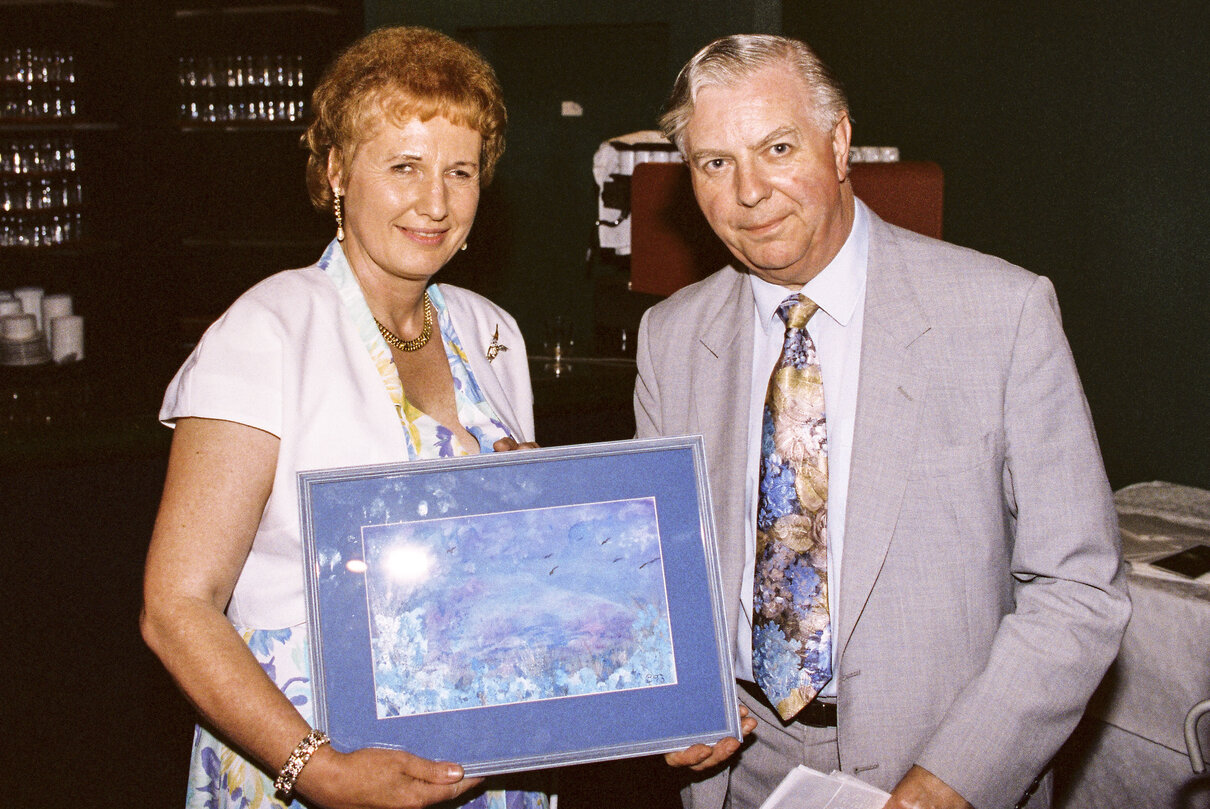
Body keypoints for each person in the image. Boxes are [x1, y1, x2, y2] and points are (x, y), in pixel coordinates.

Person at [641, 34, 1131, 809]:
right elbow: (660, 572)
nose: (749, 191)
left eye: (776, 146)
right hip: (736, 769)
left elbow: (1079, 590)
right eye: (713, 163)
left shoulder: (1001, 314)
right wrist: (676, 692)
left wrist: (950, 781)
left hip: (943, 766)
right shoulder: (670, 338)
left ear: (838, 143)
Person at [140, 26, 547, 809]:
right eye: (404, 167)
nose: (435, 201)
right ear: (335, 171)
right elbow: (175, 607)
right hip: (310, 762)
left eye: (459, 171)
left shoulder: (492, 331)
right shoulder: (265, 330)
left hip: (483, 762)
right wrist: (318, 770)